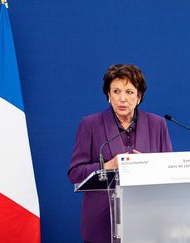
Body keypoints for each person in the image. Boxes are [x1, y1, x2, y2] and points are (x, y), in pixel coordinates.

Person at [68, 64, 172, 243]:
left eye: (129, 92)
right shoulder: (90, 124)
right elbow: (75, 173)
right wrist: (107, 166)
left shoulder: (158, 124)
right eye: (116, 91)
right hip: (102, 222)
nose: (122, 99)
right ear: (109, 95)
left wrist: (149, 165)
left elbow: (171, 173)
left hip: (147, 219)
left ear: (139, 96)